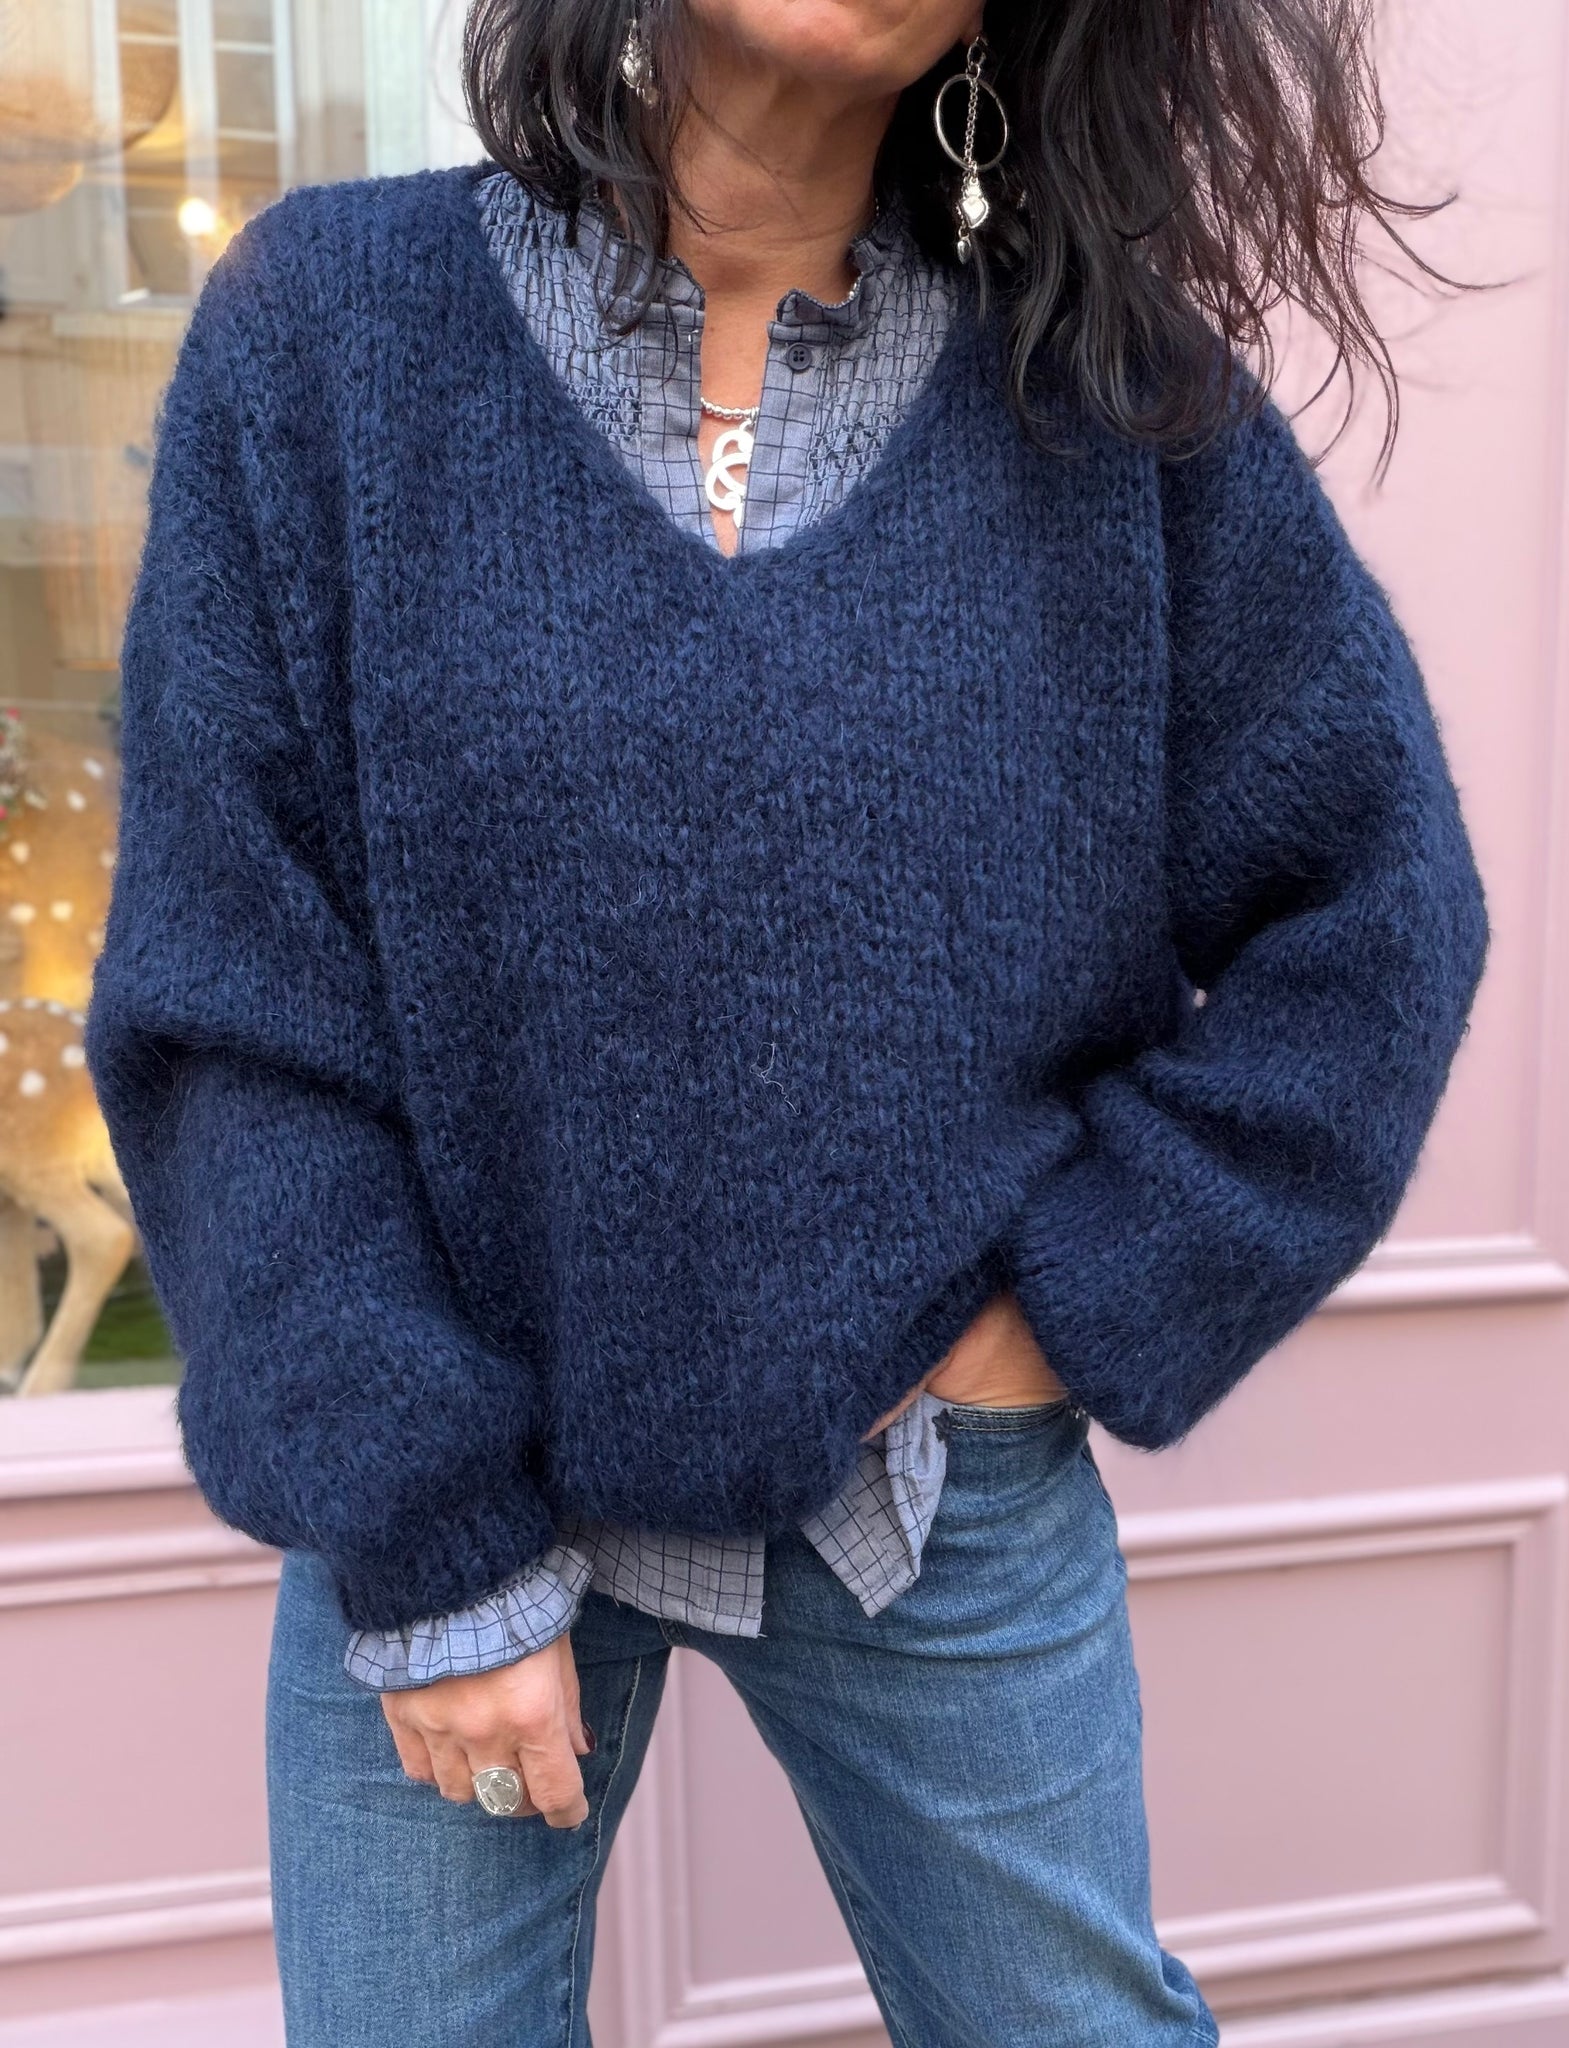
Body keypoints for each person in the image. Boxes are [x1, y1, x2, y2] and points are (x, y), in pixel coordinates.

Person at [83, 0, 1490, 2042]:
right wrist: (421, 1531)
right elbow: (236, 999)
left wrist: (1076, 1306)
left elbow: (1376, 905)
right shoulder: (331, 335)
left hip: (927, 1503)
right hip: (455, 1488)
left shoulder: (1109, 402)